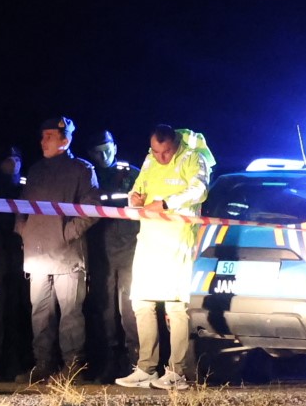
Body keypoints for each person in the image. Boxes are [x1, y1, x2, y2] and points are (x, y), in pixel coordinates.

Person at [117, 124, 214, 389]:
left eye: (166, 151)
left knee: (175, 306)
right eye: (156, 151)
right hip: (148, 240)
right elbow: (136, 190)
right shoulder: (150, 159)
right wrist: (134, 199)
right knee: (142, 302)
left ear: (176, 144)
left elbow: (200, 190)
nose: (161, 157)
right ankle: (146, 368)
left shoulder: (193, 157)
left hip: (177, 241)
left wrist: (166, 203)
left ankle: (177, 372)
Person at [19, 116, 101, 379]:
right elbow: (21, 206)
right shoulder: (35, 171)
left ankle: (73, 368)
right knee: (40, 313)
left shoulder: (82, 169)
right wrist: (23, 230)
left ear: (65, 140)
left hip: (68, 256)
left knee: (70, 315)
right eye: (42, 136)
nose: (43, 141)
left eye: (49, 137)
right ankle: (42, 365)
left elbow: (92, 209)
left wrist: (68, 233)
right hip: (37, 254)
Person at [88, 130, 141, 376]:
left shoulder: (132, 174)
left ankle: (135, 360)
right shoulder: (88, 176)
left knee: (130, 307)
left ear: (115, 148)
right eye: (97, 152)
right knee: (103, 308)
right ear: (90, 154)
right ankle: (108, 360)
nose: (103, 156)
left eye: (107, 149)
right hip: (100, 252)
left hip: (130, 249)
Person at [0, 147, 31, 379]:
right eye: (8, 159)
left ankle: (20, 361)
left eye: (17, 158)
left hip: (22, 258)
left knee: (20, 312)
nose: (13, 163)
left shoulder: (25, 185)